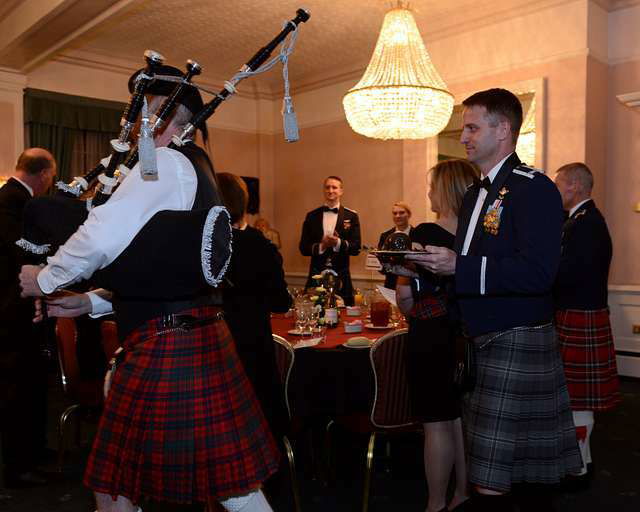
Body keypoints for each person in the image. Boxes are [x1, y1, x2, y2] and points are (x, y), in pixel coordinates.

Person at [19, 67, 279, 512]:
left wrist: (44, 278)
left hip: (168, 346)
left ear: (161, 118)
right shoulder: (195, 166)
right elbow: (155, 262)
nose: (134, 126)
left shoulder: (164, 164)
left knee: (117, 485)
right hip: (191, 336)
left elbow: (101, 235)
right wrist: (89, 301)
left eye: (142, 114)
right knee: (232, 488)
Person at [406, 88, 582, 511]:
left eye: (472, 127)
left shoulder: (534, 188)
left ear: (503, 129)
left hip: (517, 338)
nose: (463, 136)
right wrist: (425, 268)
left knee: (497, 477)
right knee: (490, 469)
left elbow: (540, 273)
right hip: (475, 339)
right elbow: (468, 268)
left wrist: (458, 267)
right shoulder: (472, 195)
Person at [394, 160, 477, 512]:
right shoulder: (478, 235)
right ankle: (463, 493)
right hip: (468, 335)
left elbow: (405, 296)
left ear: (444, 190)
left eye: (432, 186)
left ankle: (435, 503)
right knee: (459, 418)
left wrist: (402, 280)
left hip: (431, 335)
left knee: (436, 424)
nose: (428, 192)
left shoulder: (426, 231)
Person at [553, 162, 620, 479]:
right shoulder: (580, 220)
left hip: (578, 314)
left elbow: (568, 274)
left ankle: (578, 468)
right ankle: (583, 461)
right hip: (577, 312)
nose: (556, 190)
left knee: (578, 400)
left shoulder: (586, 223)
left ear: (574, 186)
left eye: (559, 184)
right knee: (576, 399)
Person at [218, 173, 291, 439]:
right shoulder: (260, 246)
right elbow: (281, 302)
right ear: (244, 202)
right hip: (253, 345)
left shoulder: (204, 246)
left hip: (215, 347)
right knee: (260, 419)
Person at [0, 148, 56, 488]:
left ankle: (33, 451)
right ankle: (20, 465)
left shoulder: (11, 197)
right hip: (14, 310)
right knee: (19, 388)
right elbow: (21, 251)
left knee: (31, 384)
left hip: (18, 308)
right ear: (45, 175)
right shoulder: (14, 201)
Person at [299, 176, 361, 305]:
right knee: (314, 315)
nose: (330, 190)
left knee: (345, 318)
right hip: (316, 274)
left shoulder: (351, 216)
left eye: (334, 187)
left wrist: (337, 243)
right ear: (323, 190)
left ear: (341, 191)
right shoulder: (312, 216)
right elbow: (303, 248)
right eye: (327, 187)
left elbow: (356, 248)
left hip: (342, 274)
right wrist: (322, 246)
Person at [377, 201, 413, 289]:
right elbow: (381, 264)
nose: (398, 216)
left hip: (412, 283)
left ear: (409, 214)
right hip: (391, 283)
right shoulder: (385, 236)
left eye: (401, 213)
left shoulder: (417, 234)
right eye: (395, 213)